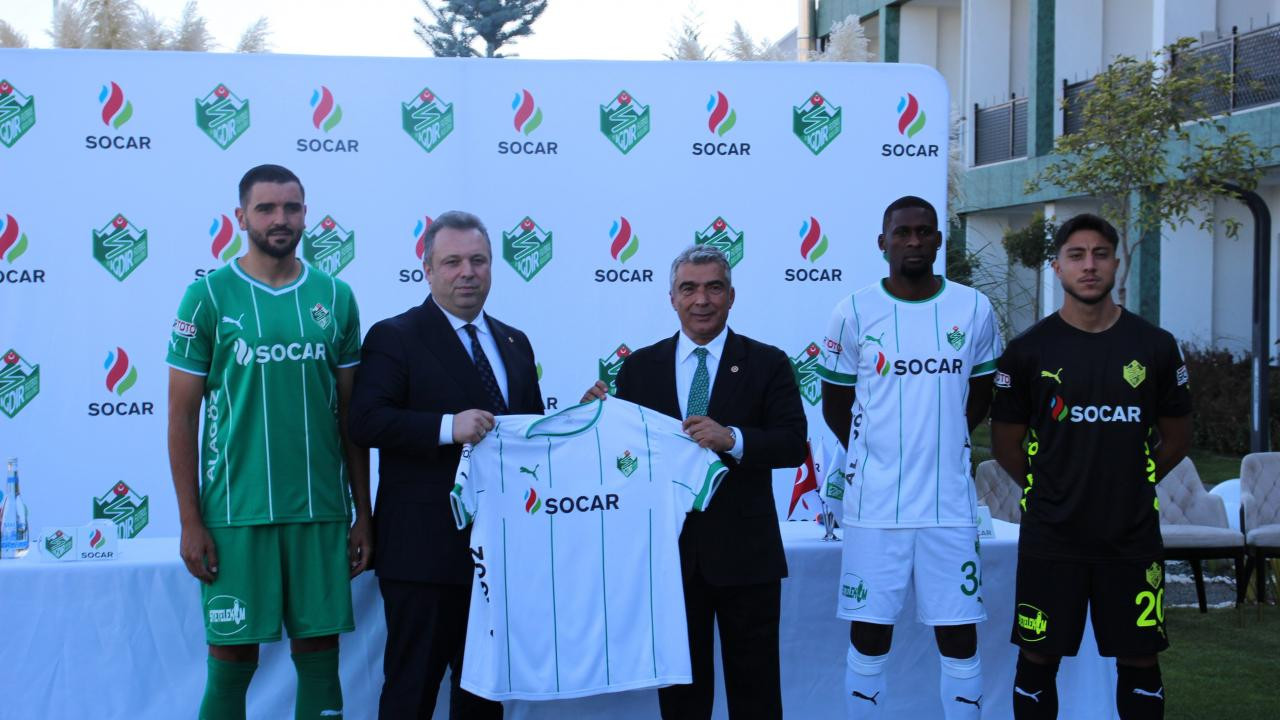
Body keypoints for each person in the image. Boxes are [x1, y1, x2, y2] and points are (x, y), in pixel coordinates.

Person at [167, 163, 371, 720]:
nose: (280, 219)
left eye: (292, 207)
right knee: (232, 659)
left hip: (320, 510)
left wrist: (363, 513)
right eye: (266, 208)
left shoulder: (336, 297)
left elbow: (351, 418)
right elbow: (181, 418)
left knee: (321, 655)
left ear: (305, 214)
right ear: (241, 217)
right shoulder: (207, 297)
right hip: (236, 512)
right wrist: (190, 520)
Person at [583, 244, 808, 719]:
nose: (701, 300)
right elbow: (623, 460)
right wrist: (594, 422)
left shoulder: (767, 362)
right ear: (672, 298)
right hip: (669, 559)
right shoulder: (640, 367)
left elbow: (791, 444)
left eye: (713, 288)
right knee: (682, 700)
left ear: (732, 296)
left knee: (757, 694)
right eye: (689, 288)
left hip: (747, 558)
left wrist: (734, 439)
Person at [991, 213, 1191, 720]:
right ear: (1057, 267)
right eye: (1076, 256)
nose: (1089, 266)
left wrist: (1135, 482)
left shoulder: (1155, 346)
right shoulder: (1027, 351)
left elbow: (1177, 439)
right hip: (1052, 537)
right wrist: (1050, 489)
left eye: (1100, 254)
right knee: (1038, 659)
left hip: (1131, 538)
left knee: (1140, 659)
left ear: (1116, 263)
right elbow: (1007, 445)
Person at [349, 210, 543, 719]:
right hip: (423, 553)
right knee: (412, 690)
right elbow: (365, 421)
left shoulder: (515, 342)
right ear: (428, 269)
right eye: (453, 262)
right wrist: (445, 427)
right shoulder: (395, 335)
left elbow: (528, 436)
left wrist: (580, 422)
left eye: (478, 260)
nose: (467, 272)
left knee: (483, 696)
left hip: (499, 551)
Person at [817, 195, 1001, 719]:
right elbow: (836, 407)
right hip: (875, 507)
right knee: (870, 633)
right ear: (883, 243)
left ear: (939, 240)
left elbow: (980, 397)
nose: (914, 241)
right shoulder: (852, 312)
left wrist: (943, 438)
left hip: (949, 506)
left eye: (924, 232)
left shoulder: (973, 309)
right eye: (902, 233)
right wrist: (878, 454)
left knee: (958, 635)